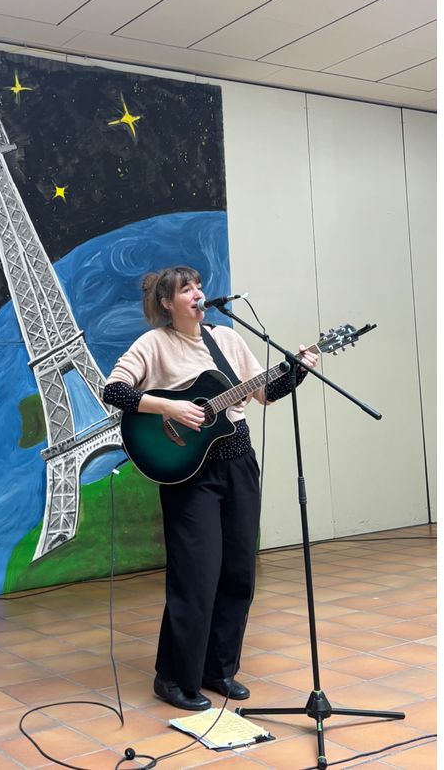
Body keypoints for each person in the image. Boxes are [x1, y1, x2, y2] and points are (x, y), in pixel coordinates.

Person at [102, 265, 318, 711]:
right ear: (167, 302)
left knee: (238, 572)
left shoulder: (228, 340)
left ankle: (218, 669)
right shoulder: (153, 344)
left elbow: (264, 393)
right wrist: (170, 408)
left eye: (200, 286)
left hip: (238, 462)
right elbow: (114, 391)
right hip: (188, 473)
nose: (198, 293)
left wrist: (297, 370)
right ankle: (174, 678)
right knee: (195, 576)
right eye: (187, 289)